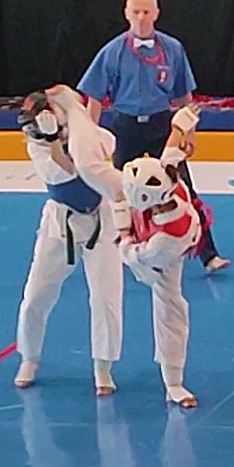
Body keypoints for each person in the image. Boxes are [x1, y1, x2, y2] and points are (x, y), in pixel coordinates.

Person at [46, 84, 205, 408]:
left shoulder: (165, 242)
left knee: (170, 306)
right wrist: (186, 119)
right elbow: (173, 145)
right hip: (142, 221)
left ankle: (173, 382)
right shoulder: (164, 174)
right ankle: (74, 109)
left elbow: (131, 253)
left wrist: (124, 231)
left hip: (150, 257)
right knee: (90, 168)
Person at [77, 0, 229, 273]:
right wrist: (90, 137)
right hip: (126, 126)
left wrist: (189, 133)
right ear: (126, 14)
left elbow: (184, 96)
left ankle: (208, 254)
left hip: (162, 126)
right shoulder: (112, 51)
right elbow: (94, 97)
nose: (141, 17)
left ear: (156, 14)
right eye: (136, 12)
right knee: (121, 192)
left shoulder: (172, 48)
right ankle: (125, 249)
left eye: (146, 12)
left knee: (182, 187)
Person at [13, 91, 123, 396]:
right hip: (60, 224)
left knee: (106, 297)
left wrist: (73, 124)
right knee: (36, 295)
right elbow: (67, 172)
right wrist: (52, 141)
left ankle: (103, 366)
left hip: (101, 220)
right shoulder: (37, 146)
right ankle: (29, 357)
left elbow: (101, 153)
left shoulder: (85, 133)